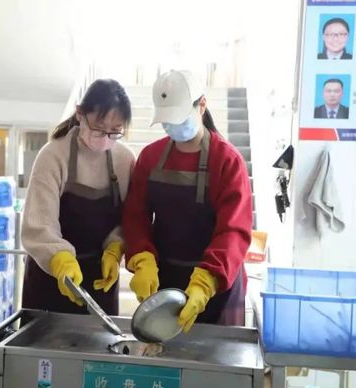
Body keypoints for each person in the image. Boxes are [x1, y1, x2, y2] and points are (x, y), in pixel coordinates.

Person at [122, 70, 253, 332]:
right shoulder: (150, 157)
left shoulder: (227, 161)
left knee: (215, 353)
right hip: (166, 283)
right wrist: (142, 258)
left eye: (179, 118)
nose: (172, 126)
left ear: (201, 105)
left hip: (216, 285)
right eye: (166, 121)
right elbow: (135, 215)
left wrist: (207, 281)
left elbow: (234, 231)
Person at [21, 79, 135, 315]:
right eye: (98, 128)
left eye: (115, 131)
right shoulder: (53, 155)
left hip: (100, 279)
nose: (105, 137)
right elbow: (39, 223)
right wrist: (60, 260)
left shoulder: (125, 160)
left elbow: (130, 217)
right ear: (80, 114)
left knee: (99, 339)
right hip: (51, 277)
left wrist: (115, 248)